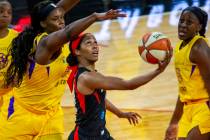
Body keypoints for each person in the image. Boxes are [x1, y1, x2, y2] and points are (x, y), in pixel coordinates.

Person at [0, 0, 126, 139]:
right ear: (43, 23)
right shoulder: (42, 44)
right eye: (55, 19)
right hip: (20, 115)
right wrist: (94, 17)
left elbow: (59, 10)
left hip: (51, 116)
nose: (61, 22)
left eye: (62, 18)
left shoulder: (68, 46)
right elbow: (67, 32)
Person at [66, 33, 171, 139]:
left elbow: (100, 99)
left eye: (95, 42)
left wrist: (120, 114)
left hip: (100, 135)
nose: (95, 46)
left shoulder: (91, 74)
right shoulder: (86, 78)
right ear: (77, 51)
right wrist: (158, 71)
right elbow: (128, 84)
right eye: (88, 43)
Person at [164, 6, 210, 140]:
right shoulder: (180, 47)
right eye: (181, 21)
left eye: (189, 22)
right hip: (187, 109)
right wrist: (173, 122)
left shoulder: (199, 48)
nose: (183, 25)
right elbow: (183, 90)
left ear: (199, 27)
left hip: (204, 108)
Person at [0, 0, 18, 112]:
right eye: (1, 11)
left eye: (9, 12)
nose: (5, 14)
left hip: (10, 92)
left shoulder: (17, 38)